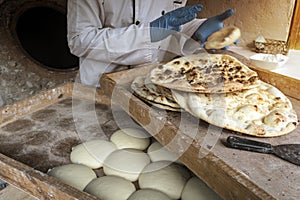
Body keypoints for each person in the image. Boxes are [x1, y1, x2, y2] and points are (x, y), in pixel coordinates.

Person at [67, 0, 234, 87]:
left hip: (152, 81)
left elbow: (171, 25)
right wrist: (148, 34)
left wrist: (197, 29)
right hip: (99, 85)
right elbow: (80, 40)